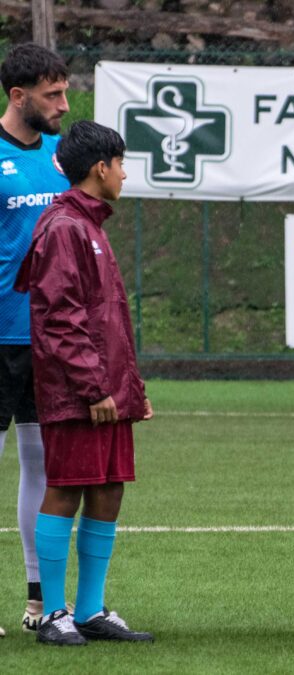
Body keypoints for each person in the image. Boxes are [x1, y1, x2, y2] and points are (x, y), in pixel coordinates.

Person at [14, 121, 153, 646]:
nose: (123, 173)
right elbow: (60, 318)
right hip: (80, 393)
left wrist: (129, 391)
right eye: (120, 164)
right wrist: (94, 387)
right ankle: (53, 614)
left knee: (108, 488)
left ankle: (91, 610)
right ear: (101, 168)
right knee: (67, 488)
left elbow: (106, 320)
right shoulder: (64, 227)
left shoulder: (90, 224)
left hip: (108, 391)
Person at [0, 43, 70, 635]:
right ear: (18, 96)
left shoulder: (59, 156)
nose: (63, 105)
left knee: (43, 467)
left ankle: (38, 599)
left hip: (48, 339)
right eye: (52, 95)